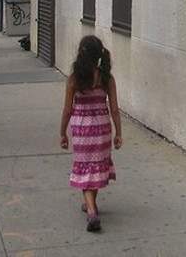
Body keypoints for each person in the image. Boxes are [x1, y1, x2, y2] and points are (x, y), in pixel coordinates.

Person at [60, 35, 122, 232]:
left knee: (85, 168)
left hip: (81, 130)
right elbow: (115, 109)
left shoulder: (74, 79)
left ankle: (91, 211)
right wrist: (118, 133)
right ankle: (90, 204)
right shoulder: (107, 78)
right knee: (95, 168)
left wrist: (62, 133)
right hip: (102, 129)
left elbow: (67, 110)